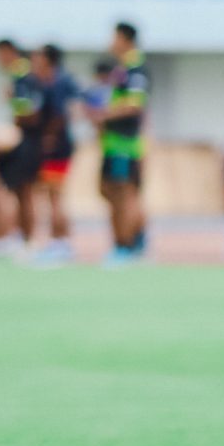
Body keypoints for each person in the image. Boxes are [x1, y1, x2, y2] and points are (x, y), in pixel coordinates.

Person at [92, 22, 150, 265]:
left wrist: (104, 114)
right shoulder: (124, 68)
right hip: (113, 143)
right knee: (109, 190)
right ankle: (134, 241)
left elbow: (136, 105)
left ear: (125, 40)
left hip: (124, 144)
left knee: (124, 194)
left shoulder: (136, 70)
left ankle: (126, 245)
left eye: (114, 38)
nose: (111, 43)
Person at [0, 38, 44, 248]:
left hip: (27, 143)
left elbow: (31, 114)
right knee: (19, 192)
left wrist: (10, 131)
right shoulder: (18, 77)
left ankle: (25, 239)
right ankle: (21, 238)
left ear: (9, 51)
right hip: (25, 142)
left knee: (24, 192)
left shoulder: (25, 77)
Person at [27, 44, 77, 264]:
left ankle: (61, 243)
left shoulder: (56, 83)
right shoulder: (44, 82)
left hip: (56, 147)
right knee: (51, 194)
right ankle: (59, 242)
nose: (33, 60)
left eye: (37, 56)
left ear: (47, 59)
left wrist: (49, 137)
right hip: (54, 145)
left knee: (55, 195)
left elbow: (60, 115)